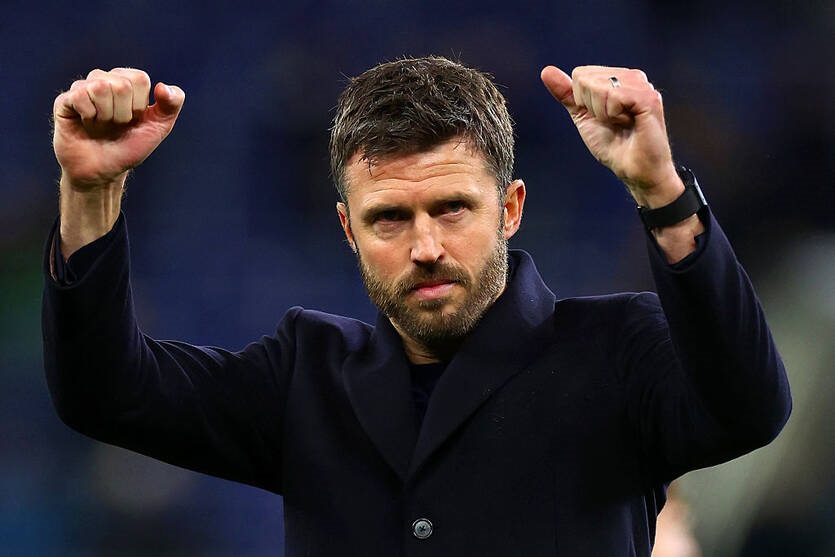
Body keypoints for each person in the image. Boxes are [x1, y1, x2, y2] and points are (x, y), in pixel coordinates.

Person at [43, 56, 791, 556]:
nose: (425, 245)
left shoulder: (616, 350)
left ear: (510, 209)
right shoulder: (307, 376)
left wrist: (660, 191)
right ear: (348, 230)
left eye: (452, 208)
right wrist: (91, 190)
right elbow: (105, 392)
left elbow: (750, 407)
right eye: (389, 219)